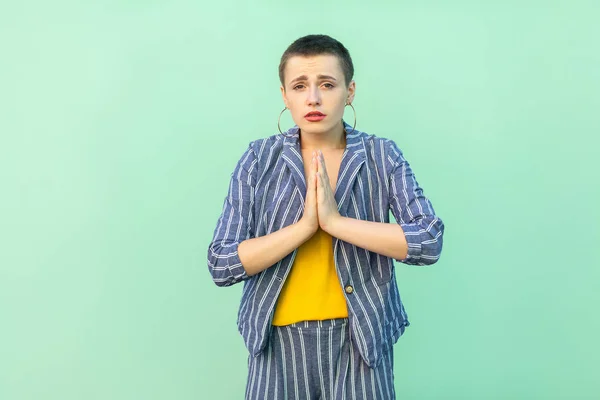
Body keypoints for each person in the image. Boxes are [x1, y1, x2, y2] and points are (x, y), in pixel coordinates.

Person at [207, 34, 445, 400]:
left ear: (349, 92)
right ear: (285, 96)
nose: (313, 98)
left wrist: (336, 223)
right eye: (300, 86)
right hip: (276, 345)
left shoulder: (381, 155)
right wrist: (304, 228)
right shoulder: (258, 160)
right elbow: (222, 263)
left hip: (360, 341)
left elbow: (428, 241)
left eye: (327, 85)